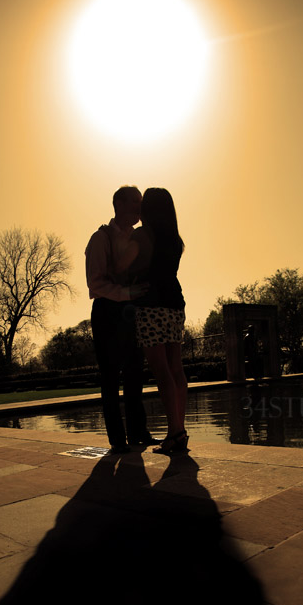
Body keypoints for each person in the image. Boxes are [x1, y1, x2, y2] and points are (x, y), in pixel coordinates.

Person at [85, 186, 160, 453]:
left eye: (140, 202)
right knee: (110, 377)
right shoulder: (100, 238)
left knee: (134, 375)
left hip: (131, 313)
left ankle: (138, 433)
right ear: (118, 204)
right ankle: (117, 439)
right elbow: (94, 284)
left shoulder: (139, 238)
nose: (139, 208)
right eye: (134, 202)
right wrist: (126, 292)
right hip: (107, 312)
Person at [122, 187, 188, 455]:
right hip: (175, 303)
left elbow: (126, 268)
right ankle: (179, 431)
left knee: (161, 371)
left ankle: (174, 434)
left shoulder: (142, 235)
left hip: (151, 305)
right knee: (176, 368)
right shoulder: (175, 239)